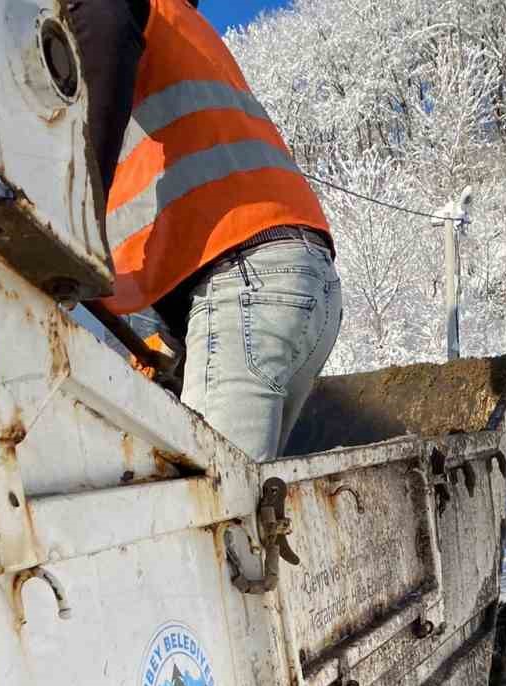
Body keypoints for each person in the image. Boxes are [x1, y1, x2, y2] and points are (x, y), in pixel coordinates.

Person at [66, 0, 341, 460]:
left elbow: (105, 25)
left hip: (244, 282)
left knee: (216, 494)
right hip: (300, 279)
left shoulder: (105, 15)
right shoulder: (180, 24)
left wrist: (65, 225)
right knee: (242, 494)